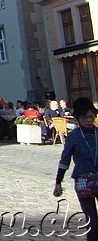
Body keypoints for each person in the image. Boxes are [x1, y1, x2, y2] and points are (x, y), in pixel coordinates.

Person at [53, 97, 98, 241]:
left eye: (91, 117)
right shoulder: (74, 137)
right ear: (78, 118)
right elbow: (64, 161)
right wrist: (58, 182)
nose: (88, 120)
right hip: (83, 181)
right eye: (84, 117)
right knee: (93, 222)